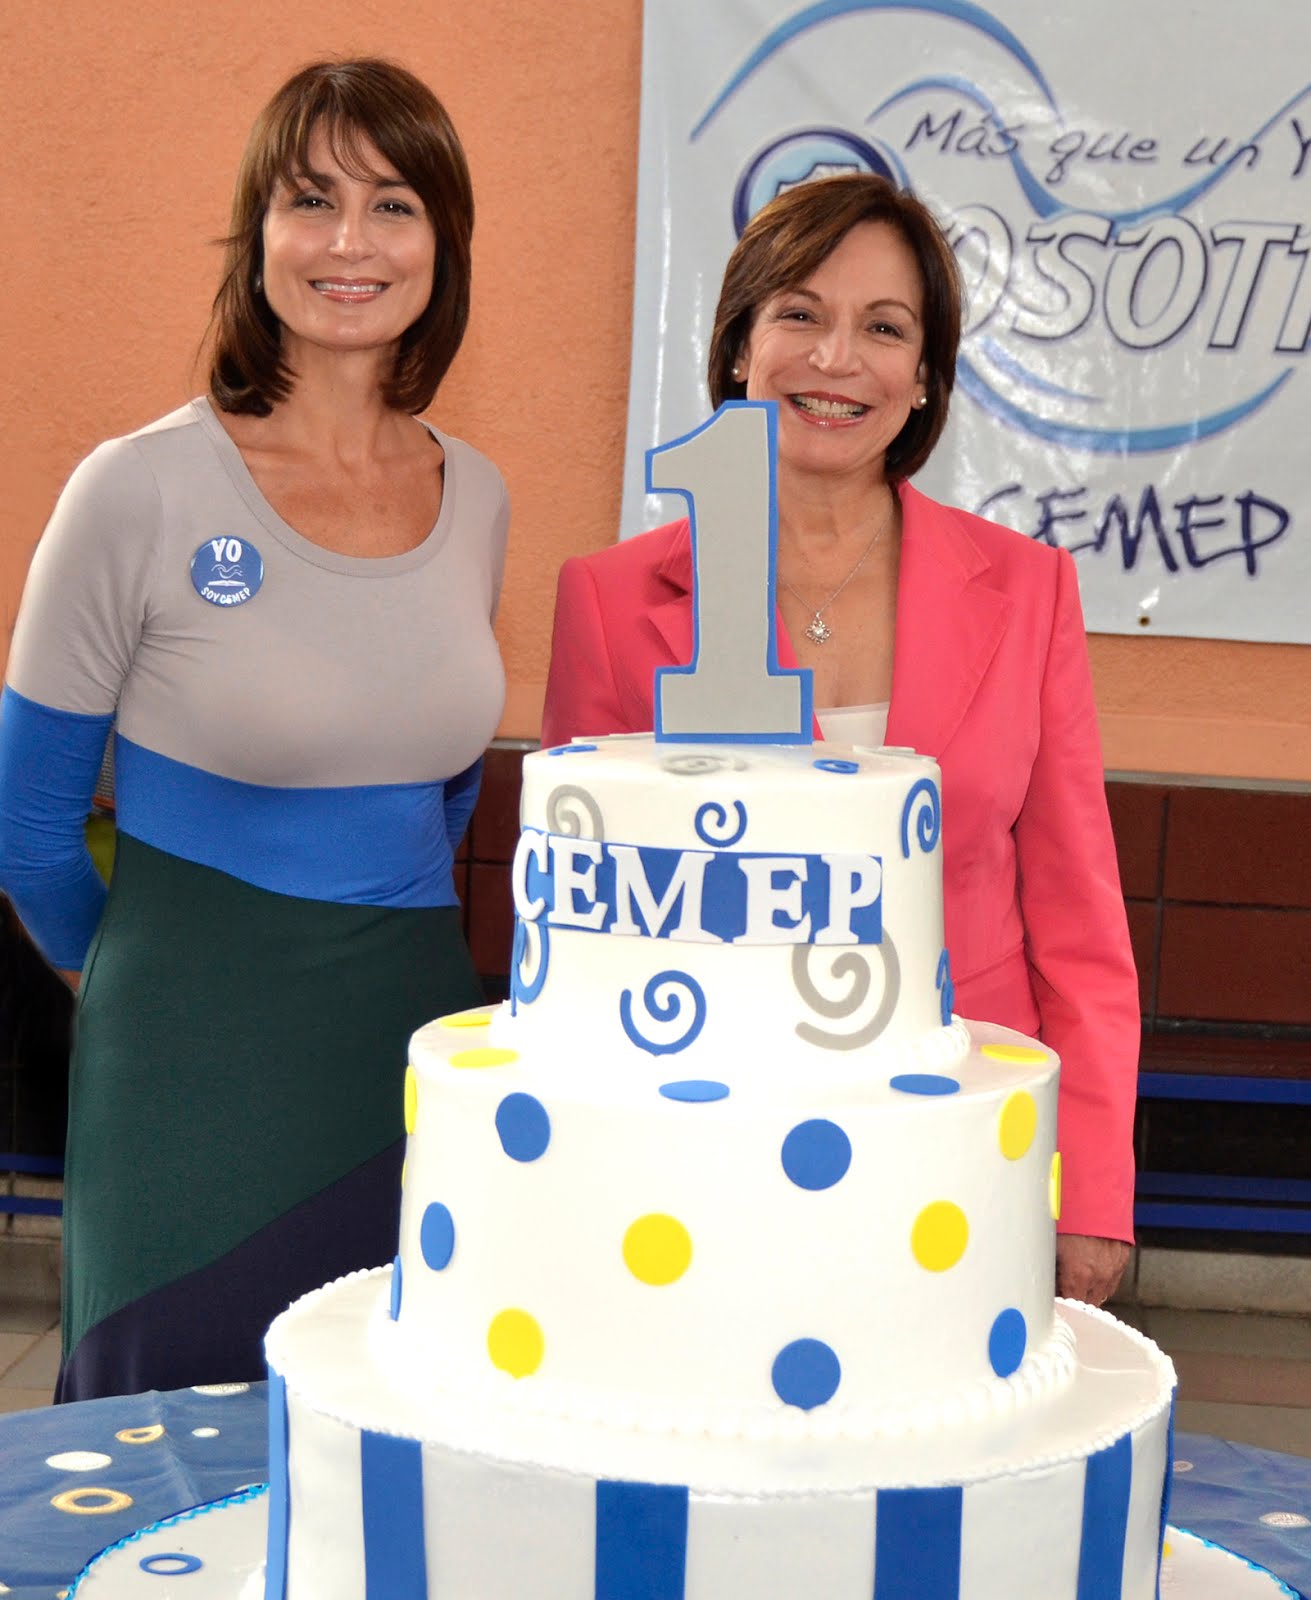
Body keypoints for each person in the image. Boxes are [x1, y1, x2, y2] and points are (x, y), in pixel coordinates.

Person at [0, 59, 508, 1399]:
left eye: (392, 204)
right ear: (256, 236)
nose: (350, 242)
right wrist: (141, 988)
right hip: (185, 1066)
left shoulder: (482, 496)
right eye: (310, 200)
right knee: (164, 1459)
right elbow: (29, 822)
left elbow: (443, 788)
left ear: (441, 246)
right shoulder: (137, 488)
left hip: (404, 1057)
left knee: (377, 1442)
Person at [542, 174, 1137, 1307]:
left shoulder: (1028, 592)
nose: (837, 359)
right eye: (799, 315)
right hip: (701, 1151)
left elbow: (1079, 918)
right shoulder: (612, 601)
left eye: (884, 329)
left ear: (924, 381)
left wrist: (1092, 1187)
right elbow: (587, 931)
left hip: (970, 1138)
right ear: (738, 350)